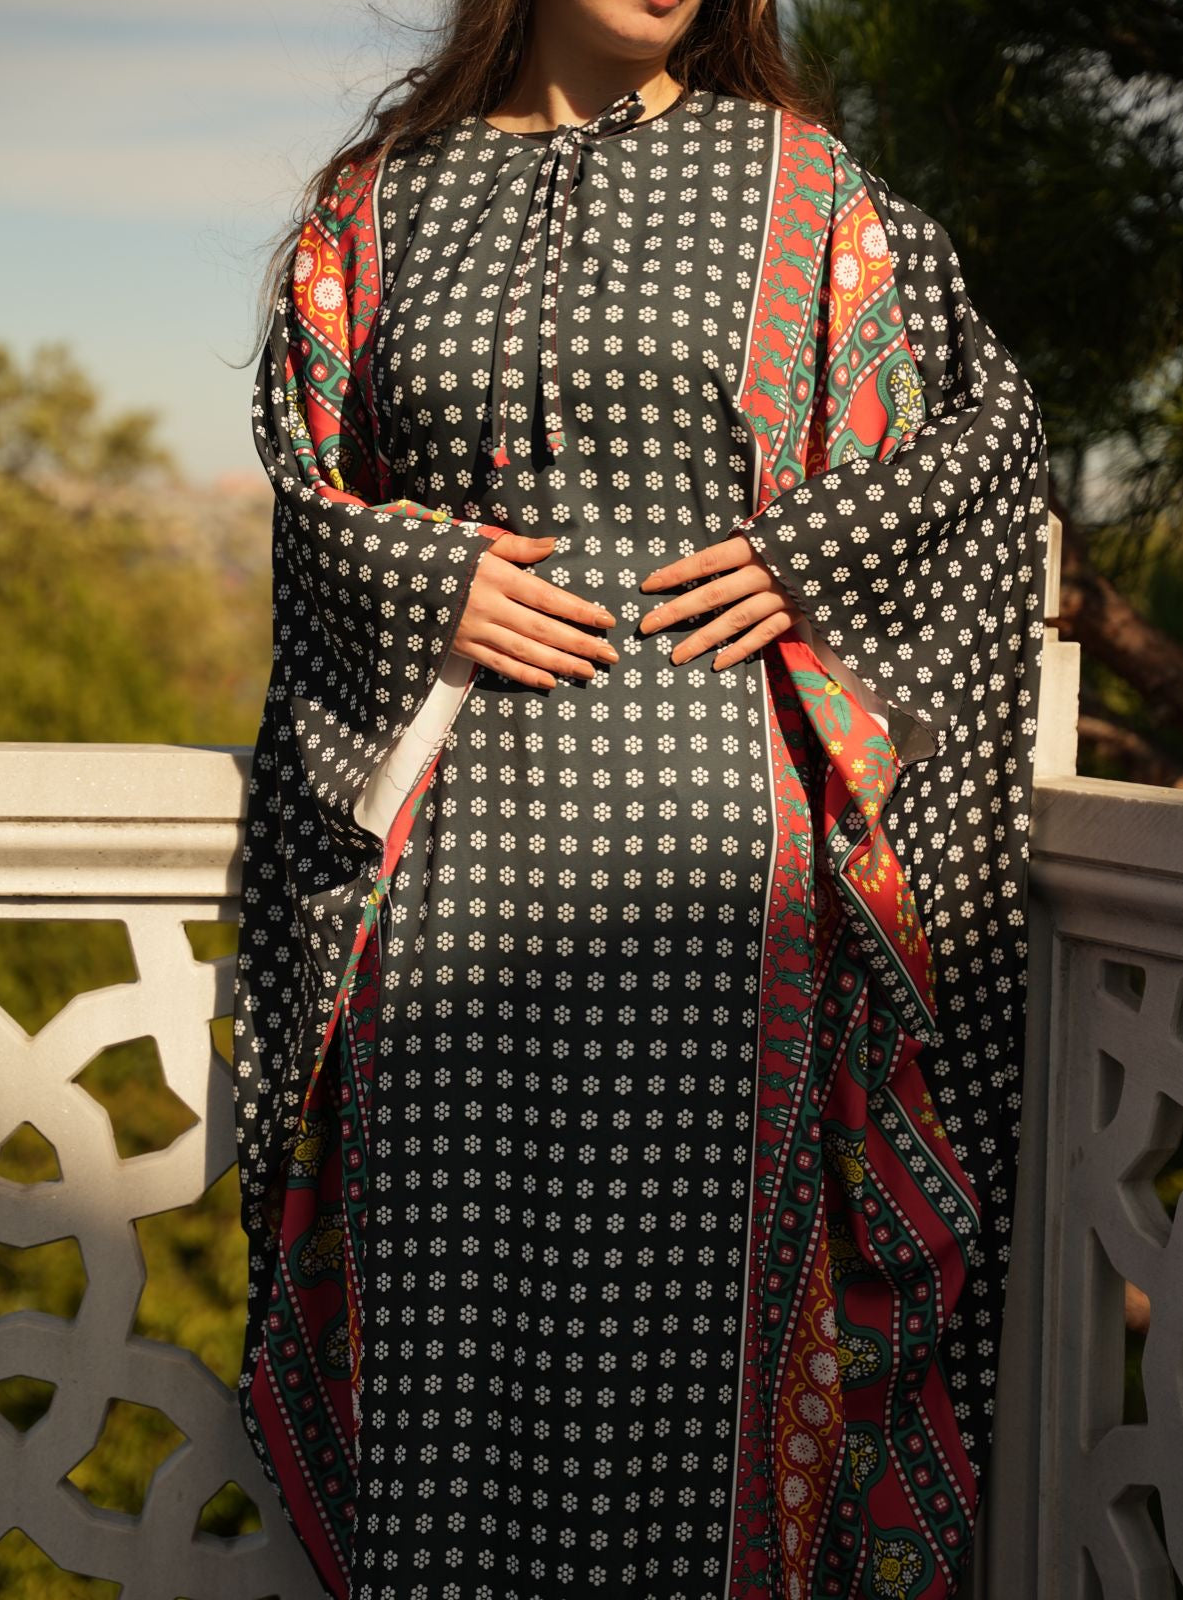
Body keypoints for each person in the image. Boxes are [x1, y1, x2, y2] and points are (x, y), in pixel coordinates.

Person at [230, 1, 1050, 1596]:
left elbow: (986, 437)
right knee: (442, 1340)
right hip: (455, 880)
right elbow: (303, 474)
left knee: (708, 1367)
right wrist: (421, 578)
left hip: (722, 886)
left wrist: (807, 559)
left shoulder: (808, 186)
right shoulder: (378, 203)